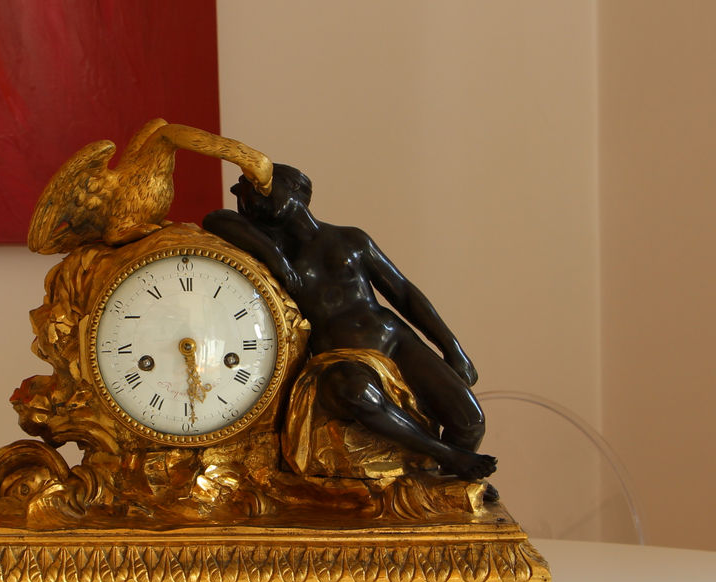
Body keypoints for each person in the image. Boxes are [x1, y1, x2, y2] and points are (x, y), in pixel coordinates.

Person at [204, 166, 497, 480]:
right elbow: (215, 219)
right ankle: (446, 456)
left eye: (259, 188)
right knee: (352, 390)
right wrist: (274, 256)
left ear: (294, 190)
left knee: (470, 421)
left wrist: (453, 349)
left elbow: (404, 293)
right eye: (245, 195)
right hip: (340, 358)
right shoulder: (267, 253)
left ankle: (443, 481)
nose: (252, 200)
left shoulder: (350, 240)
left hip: (394, 341)